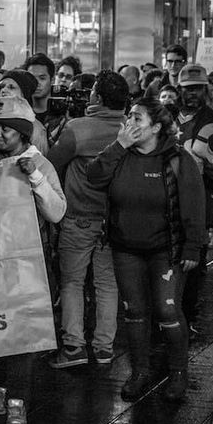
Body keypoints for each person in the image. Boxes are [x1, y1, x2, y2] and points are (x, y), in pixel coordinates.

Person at [87, 98, 205, 402]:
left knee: (167, 310)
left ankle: (178, 373)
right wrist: (117, 146)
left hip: (167, 249)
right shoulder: (120, 154)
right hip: (126, 247)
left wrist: (193, 246)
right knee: (135, 312)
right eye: (129, 117)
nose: (129, 123)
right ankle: (140, 372)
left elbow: (194, 204)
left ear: (156, 127)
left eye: (137, 119)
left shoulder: (179, 159)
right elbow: (95, 176)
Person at [0, 96, 66, 424]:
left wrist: (35, 178)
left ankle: (17, 399)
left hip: (28, 260)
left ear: (23, 134)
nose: (0, 134)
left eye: (8, 129)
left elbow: (57, 212)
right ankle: (0, 390)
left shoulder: (39, 164)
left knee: (23, 330)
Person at [47, 71, 129, 368]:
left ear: (97, 97)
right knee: (108, 286)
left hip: (79, 218)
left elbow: (52, 162)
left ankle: (73, 348)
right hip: (114, 222)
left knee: (72, 282)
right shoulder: (130, 129)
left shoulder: (78, 128)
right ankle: (105, 349)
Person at [175, 64, 213, 331]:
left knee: (193, 264)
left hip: (201, 205)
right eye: (188, 89)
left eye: (198, 88)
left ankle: (188, 316)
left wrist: (203, 167)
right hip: (170, 202)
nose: (192, 94)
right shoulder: (168, 117)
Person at [0, 70, 49, 154]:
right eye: (1, 86)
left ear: (24, 94)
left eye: (11, 87)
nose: (3, 90)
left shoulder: (36, 129)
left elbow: (39, 163)